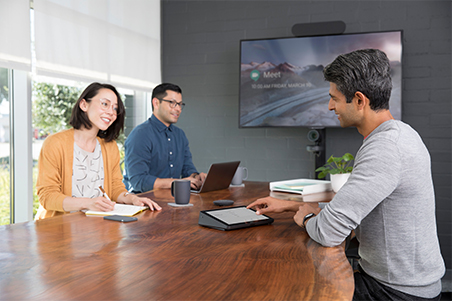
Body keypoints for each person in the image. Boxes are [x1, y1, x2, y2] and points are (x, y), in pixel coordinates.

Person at [248, 49, 445, 300]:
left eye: (335, 98)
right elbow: (351, 205)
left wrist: (307, 216)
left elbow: (329, 232)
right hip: (394, 282)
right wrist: (289, 205)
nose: (330, 106)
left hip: (395, 292)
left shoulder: (386, 149)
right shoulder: (400, 134)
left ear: (360, 100)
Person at [35, 82, 162, 220]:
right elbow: (47, 196)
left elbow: (115, 188)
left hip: (98, 227)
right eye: (105, 104)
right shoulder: (55, 143)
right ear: (84, 105)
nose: (111, 112)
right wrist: (88, 203)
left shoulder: (110, 146)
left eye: (115, 108)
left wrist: (132, 199)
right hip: (59, 229)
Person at [123, 83, 206, 193]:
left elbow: (188, 169)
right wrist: (176, 183)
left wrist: (197, 177)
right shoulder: (140, 135)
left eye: (180, 104)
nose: (178, 109)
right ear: (156, 103)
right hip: (144, 203)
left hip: (174, 200)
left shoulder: (180, 135)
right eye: (172, 103)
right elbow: (138, 181)